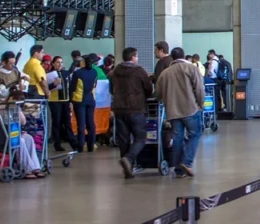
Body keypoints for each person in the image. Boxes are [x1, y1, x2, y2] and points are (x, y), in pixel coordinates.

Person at [155, 47, 205, 177]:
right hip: (190, 109)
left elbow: (158, 94)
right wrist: (201, 104)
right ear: (183, 56)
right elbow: (199, 89)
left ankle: (179, 170)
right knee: (195, 134)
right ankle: (186, 162)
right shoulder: (191, 69)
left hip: (172, 111)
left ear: (172, 57)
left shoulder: (165, 73)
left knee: (177, 138)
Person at [110, 47, 154, 178]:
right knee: (140, 137)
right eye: (137, 56)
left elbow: (111, 89)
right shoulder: (139, 71)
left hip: (118, 108)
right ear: (133, 57)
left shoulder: (115, 71)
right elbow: (148, 89)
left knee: (123, 139)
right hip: (135, 108)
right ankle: (129, 159)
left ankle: (128, 169)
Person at [70, 53, 100, 153]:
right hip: (91, 99)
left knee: (81, 124)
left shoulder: (77, 73)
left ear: (83, 61)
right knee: (91, 123)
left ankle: (81, 146)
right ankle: (91, 146)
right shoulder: (94, 72)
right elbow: (95, 84)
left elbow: (72, 88)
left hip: (79, 100)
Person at [46, 56, 76, 152]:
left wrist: (71, 101)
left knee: (67, 122)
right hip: (55, 101)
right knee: (57, 123)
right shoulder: (49, 74)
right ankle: (57, 143)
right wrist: (53, 84)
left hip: (65, 100)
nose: (60, 64)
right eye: (58, 62)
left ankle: (73, 143)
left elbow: (70, 88)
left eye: (61, 62)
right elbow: (46, 89)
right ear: (53, 63)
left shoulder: (66, 73)